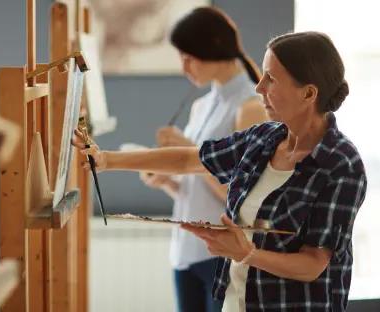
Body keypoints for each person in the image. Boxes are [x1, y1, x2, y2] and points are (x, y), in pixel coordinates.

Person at [74, 31, 366, 311]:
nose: (259, 86)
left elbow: (313, 263)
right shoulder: (264, 138)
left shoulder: (342, 165)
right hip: (236, 302)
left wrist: (247, 254)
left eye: (271, 78)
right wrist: (107, 160)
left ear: (308, 93)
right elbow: (190, 160)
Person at [138, 7, 267, 312]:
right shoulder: (201, 106)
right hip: (185, 253)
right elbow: (195, 190)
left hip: (221, 256)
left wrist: (192, 151)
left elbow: (241, 197)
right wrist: (168, 181)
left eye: (188, 56)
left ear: (213, 48)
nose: (184, 67)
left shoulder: (250, 107)